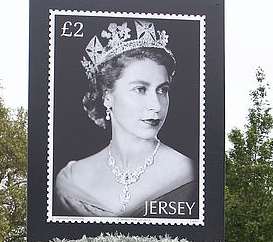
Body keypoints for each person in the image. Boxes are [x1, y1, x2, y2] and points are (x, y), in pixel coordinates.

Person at [54, 19, 197, 219]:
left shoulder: (190, 174)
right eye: (140, 89)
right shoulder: (71, 180)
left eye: (162, 90)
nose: (156, 106)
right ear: (107, 96)